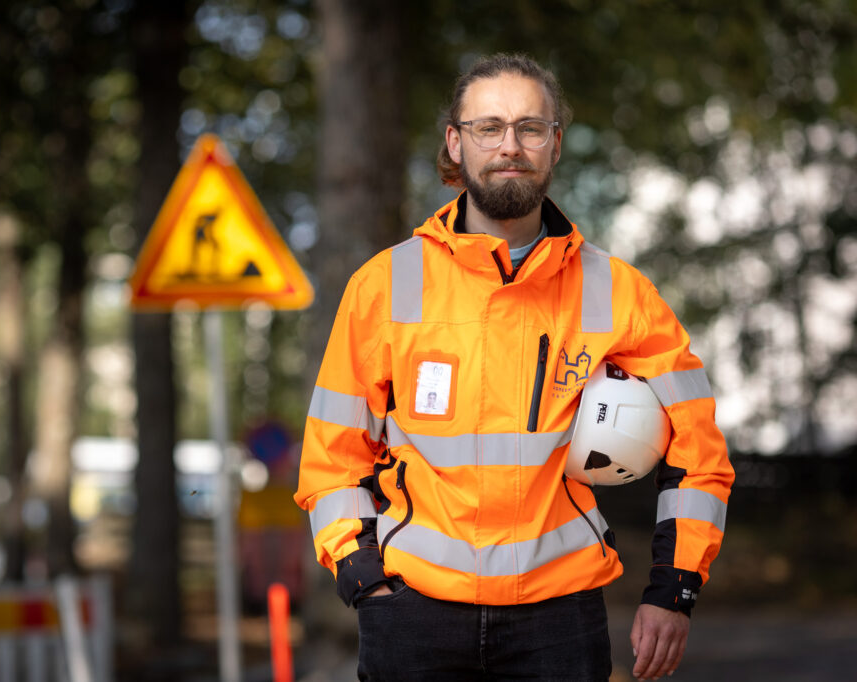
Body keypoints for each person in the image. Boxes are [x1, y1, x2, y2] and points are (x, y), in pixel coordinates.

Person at [294, 53, 734, 681]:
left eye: (531, 128)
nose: (510, 145)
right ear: (456, 141)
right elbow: (332, 456)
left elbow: (700, 449)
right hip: (411, 618)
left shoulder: (618, 291)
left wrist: (674, 590)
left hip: (558, 623)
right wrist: (363, 580)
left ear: (555, 145)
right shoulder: (384, 285)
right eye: (488, 127)